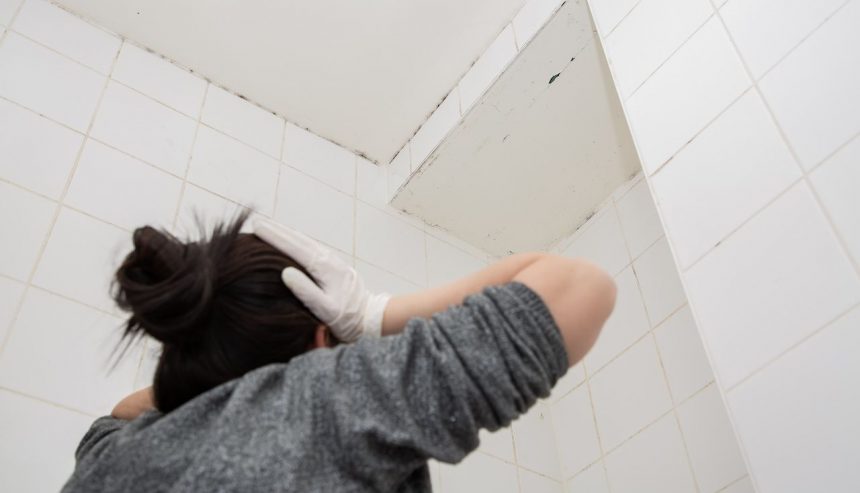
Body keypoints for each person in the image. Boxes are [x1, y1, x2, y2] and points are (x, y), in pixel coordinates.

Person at [61, 213, 616, 492]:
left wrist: (209, 374)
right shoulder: (317, 411)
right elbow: (578, 287)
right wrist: (373, 317)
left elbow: (114, 418)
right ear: (321, 342)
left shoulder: (110, 460)